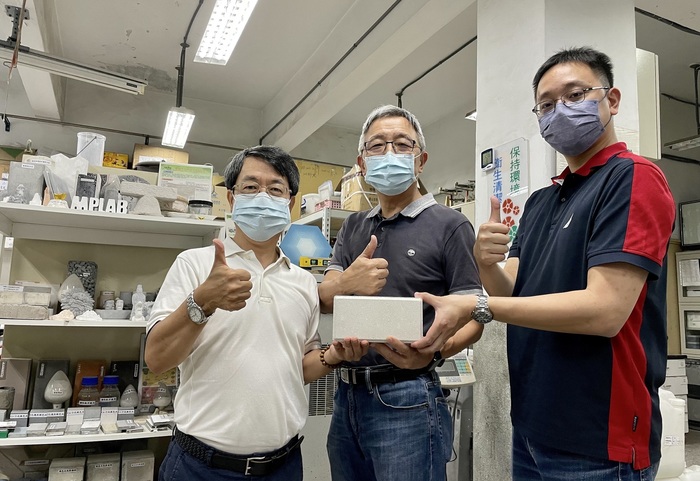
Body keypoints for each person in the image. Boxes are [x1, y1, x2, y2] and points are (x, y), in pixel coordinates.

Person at [412, 47, 676, 480]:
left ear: (611, 101)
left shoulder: (633, 178)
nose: (560, 112)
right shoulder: (541, 201)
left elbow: (605, 310)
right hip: (533, 427)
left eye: (575, 95)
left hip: (599, 440)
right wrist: (485, 262)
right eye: (547, 105)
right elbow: (509, 288)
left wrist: (477, 307)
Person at [145, 145, 359, 481]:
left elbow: (296, 367)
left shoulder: (303, 282)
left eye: (275, 189)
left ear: (290, 203)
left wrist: (333, 356)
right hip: (200, 467)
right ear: (232, 199)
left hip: (283, 466)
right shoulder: (194, 264)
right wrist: (202, 301)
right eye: (250, 187)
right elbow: (157, 359)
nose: (263, 196)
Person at [318, 105, 484, 481]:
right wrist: (347, 282)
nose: (389, 153)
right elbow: (326, 299)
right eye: (377, 146)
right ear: (362, 162)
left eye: (402, 144)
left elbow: (475, 316)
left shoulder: (450, 225)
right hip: (346, 396)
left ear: (420, 160)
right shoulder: (353, 227)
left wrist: (432, 353)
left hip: (407, 395)